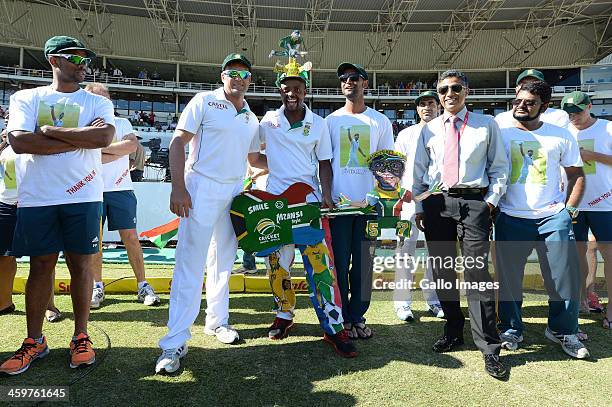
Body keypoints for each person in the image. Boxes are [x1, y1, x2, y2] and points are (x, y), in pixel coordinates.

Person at [0, 35, 115, 375]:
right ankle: (34, 340)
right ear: (54, 61)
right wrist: (78, 138)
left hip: (84, 195)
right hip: (38, 196)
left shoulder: (96, 100)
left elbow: (103, 139)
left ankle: (81, 336)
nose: (84, 64)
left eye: (85, 58)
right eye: (76, 58)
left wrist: (48, 132)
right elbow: (19, 142)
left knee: (81, 266)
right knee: (40, 266)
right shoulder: (26, 96)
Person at [155, 53, 264, 374]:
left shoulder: (251, 117)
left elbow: (255, 160)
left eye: (244, 74)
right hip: (200, 187)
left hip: (233, 192)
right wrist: (178, 188)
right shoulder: (204, 101)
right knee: (190, 264)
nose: (239, 78)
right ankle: (174, 341)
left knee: (224, 262)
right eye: (232, 72)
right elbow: (177, 144)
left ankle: (217, 322)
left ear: (250, 81)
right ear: (222, 76)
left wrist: (298, 167)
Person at [412, 70, 508, 379]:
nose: (449, 94)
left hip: (474, 202)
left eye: (455, 88)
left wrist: (490, 201)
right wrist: (419, 204)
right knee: (442, 269)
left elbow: (499, 167)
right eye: (443, 90)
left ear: (466, 91)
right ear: (438, 94)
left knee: (477, 272)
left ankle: (490, 347)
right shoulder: (428, 129)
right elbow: (418, 171)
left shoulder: (486, 124)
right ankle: (454, 330)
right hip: (437, 203)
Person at [256, 69, 356, 357]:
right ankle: (284, 315)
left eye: (297, 89)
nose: (292, 93)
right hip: (275, 204)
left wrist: (326, 194)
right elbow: (254, 156)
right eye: (286, 89)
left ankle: (333, 326)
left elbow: (325, 163)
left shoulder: (318, 123)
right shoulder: (268, 121)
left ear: (305, 91)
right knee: (277, 265)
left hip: (309, 205)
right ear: (280, 92)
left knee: (322, 267)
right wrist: (275, 166)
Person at [494, 81, 589, 359]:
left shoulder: (560, 136)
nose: (521, 106)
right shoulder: (501, 133)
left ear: (544, 107)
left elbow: (577, 175)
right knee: (509, 279)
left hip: (553, 217)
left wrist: (568, 211)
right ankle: (511, 329)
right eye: (517, 101)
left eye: (529, 102)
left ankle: (562, 331)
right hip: (511, 216)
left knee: (564, 277)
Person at [325, 62, 394, 340]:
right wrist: (327, 195)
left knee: (364, 266)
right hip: (339, 209)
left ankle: (358, 316)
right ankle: (342, 318)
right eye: (343, 78)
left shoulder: (380, 121)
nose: (348, 82)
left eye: (354, 78)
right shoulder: (331, 121)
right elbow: (325, 163)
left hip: (369, 207)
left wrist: (380, 198)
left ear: (365, 83)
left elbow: (387, 165)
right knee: (339, 265)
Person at [85, 83, 160, 308]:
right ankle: (97, 286)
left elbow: (131, 147)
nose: (104, 103)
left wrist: (96, 151)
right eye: (98, 99)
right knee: (94, 242)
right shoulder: (82, 125)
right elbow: (114, 152)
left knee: (131, 238)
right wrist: (115, 151)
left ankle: (143, 285)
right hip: (91, 191)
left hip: (121, 189)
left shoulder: (121, 122)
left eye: (106, 98)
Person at [561, 91, 612, 329]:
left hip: (605, 204)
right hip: (573, 205)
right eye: (569, 113)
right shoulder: (564, 131)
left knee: (609, 257)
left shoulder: (607, 128)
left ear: (590, 106)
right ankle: (581, 300)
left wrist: (592, 156)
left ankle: (610, 309)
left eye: (578, 112)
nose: (574, 117)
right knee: (575, 258)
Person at [392, 91, 444, 322]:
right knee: (404, 252)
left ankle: (433, 299)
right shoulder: (406, 134)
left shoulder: (446, 132)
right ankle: (402, 303)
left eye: (431, 103)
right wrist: (396, 194)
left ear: (438, 106)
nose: (427, 108)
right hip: (408, 201)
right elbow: (395, 168)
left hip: (437, 200)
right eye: (422, 104)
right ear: (417, 109)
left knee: (436, 252)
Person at [496, 69, 569, 129]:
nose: (529, 87)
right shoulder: (501, 118)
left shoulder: (558, 116)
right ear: (516, 89)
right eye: (524, 84)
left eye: (534, 83)